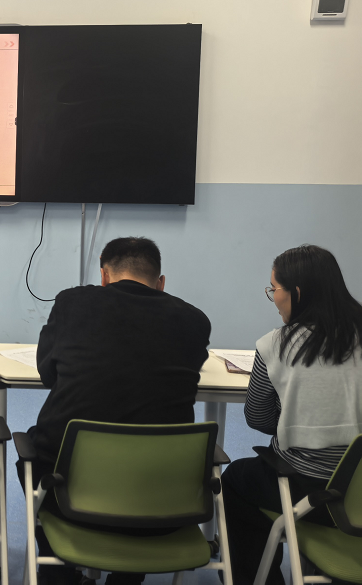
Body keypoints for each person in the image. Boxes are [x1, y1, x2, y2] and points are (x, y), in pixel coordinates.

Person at [24, 237, 211, 585]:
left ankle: (57, 572)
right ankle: (127, 579)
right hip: (164, 501)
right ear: (161, 283)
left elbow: (48, 373)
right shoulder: (195, 320)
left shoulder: (73, 303)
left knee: (31, 453)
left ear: (104, 276)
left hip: (69, 494)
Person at [222, 245, 362, 585]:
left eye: (274, 289)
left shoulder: (275, 345)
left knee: (234, 481)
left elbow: (257, 417)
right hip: (359, 490)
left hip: (311, 490)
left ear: (296, 293)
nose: (273, 298)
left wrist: (293, 421)